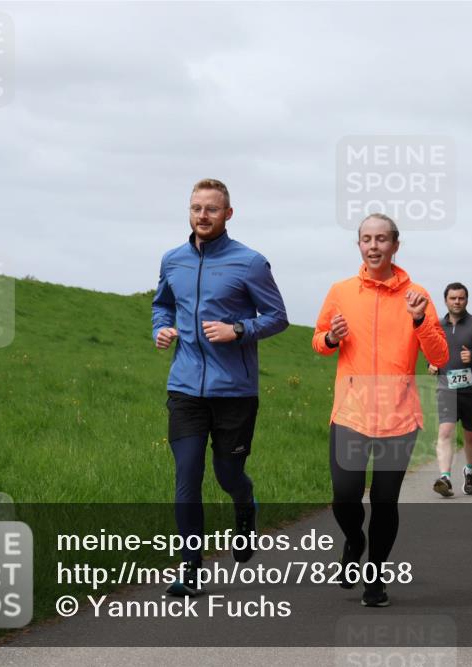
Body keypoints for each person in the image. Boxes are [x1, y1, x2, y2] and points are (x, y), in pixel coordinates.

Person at [152, 179, 289, 597]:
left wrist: (238, 329)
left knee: (228, 474)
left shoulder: (249, 262)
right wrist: (162, 328)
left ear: (228, 214)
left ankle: (244, 504)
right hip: (186, 388)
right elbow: (162, 303)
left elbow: (278, 316)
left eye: (212, 209)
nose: (203, 216)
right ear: (189, 211)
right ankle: (190, 566)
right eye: (196, 208)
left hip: (235, 391)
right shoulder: (172, 260)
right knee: (187, 475)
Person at [313, 213, 448, 608]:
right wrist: (331, 338)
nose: (374, 246)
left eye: (382, 239)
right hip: (351, 413)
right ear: (359, 245)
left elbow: (438, 355)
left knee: (385, 502)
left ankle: (374, 577)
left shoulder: (417, 295)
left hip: (399, 416)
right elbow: (318, 342)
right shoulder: (341, 291)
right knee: (345, 497)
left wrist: (420, 319)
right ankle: (354, 541)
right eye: (366, 239)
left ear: (395, 245)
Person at [429, 284, 472, 496]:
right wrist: (431, 365)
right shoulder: (436, 326)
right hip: (446, 388)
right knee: (446, 431)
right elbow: (431, 352)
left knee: (470, 436)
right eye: (453, 298)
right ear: (446, 301)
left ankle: (469, 471)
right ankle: (445, 478)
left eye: (461, 298)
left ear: (466, 300)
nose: (457, 302)